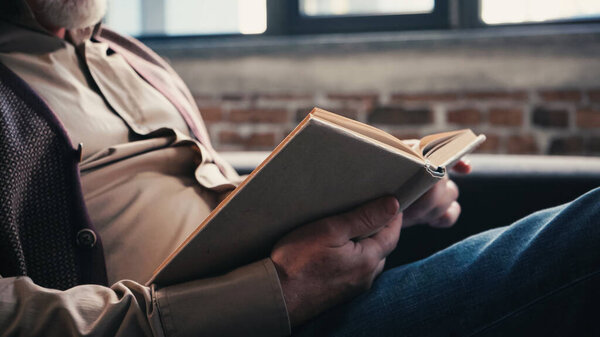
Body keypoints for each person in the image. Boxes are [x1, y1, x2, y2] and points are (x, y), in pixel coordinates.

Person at [0, 1, 597, 336]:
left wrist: (374, 195)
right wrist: (275, 295)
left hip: (307, 297)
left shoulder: (127, 55)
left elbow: (203, 209)